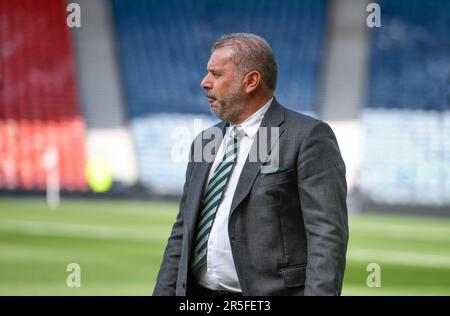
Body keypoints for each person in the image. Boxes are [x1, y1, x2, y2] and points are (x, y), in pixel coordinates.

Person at [153, 33, 348, 296]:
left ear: (251, 81)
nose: (204, 82)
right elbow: (182, 233)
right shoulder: (207, 140)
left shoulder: (305, 137)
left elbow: (326, 237)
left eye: (216, 74)